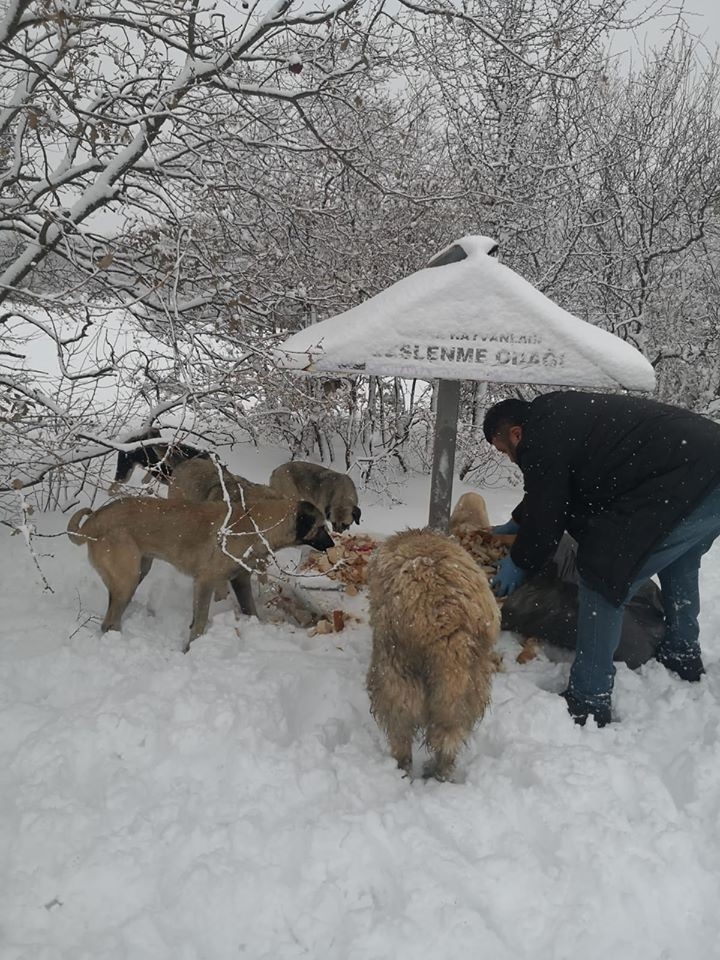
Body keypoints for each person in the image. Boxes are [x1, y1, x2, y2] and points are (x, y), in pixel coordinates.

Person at [483, 391, 720, 727]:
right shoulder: (556, 416)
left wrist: (520, 562)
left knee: (602, 575)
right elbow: (554, 486)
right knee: (679, 561)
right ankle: (682, 654)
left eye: (504, 450)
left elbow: (549, 508)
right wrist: (520, 520)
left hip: (685, 478)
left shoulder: (539, 436)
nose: (509, 458)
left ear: (515, 433)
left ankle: (589, 698)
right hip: (707, 467)